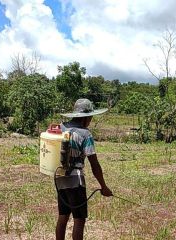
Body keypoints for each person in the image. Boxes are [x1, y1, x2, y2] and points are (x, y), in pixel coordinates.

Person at [56, 98, 113, 240]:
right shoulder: (85, 134)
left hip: (59, 177)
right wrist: (104, 187)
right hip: (76, 179)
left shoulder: (61, 127)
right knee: (79, 219)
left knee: (63, 216)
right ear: (86, 117)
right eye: (91, 117)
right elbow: (95, 164)